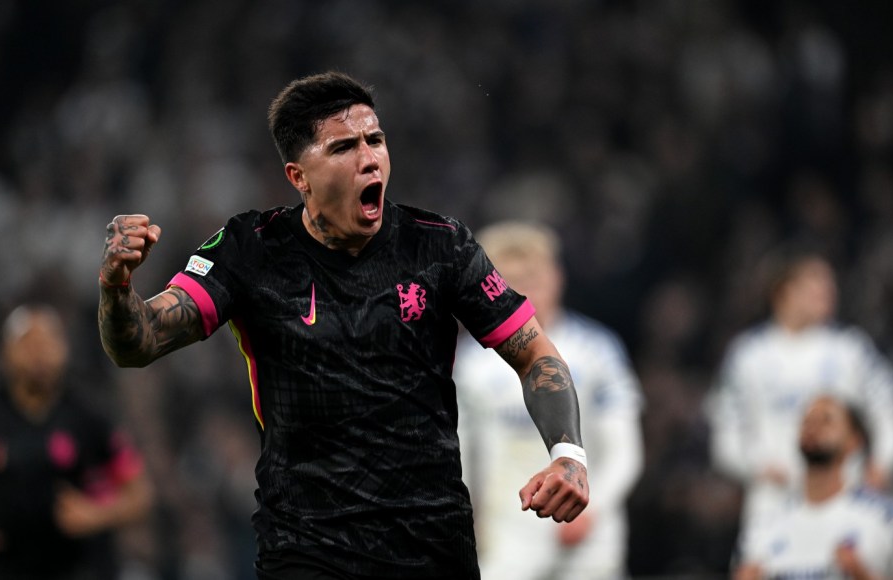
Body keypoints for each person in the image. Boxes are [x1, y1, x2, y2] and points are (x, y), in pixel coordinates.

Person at [97, 71, 590, 580]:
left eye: (375, 140)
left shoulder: (440, 246)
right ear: (298, 176)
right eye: (343, 147)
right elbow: (138, 342)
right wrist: (116, 288)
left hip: (432, 546)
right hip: (306, 547)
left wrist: (569, 454)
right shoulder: (251, 249)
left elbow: (536, 355)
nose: (369, 158)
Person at [454, 221, 644, 579]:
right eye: (512, 279)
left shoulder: (598, 352)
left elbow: (625, 450)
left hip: (587, 539)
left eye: (534, 277)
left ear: (557, 277)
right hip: (507, 540)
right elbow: (462, 452)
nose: (525, 291)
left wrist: (593, 509)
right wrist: (466, 523)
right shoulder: (470, 365)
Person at [706, 246, 893, 546]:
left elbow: (887, 410)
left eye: (830, 285)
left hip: (843, 501)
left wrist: (882, 463)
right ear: (784, 291)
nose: (828, 293)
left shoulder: (850, 349)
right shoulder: (748, 355)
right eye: (817, 285)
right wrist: (757, 465)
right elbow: (725, 434)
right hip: (773, 506)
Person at [0, 304, 153, 580]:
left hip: (77, 567)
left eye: (49, 343)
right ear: (6, 352)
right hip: (1, 568)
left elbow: (140, 495)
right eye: (30, 344)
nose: (41, 354)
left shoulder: (89, 415)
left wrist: (97, 515)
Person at [734, 394, 893, 579]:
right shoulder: (762, 528)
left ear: (854, 441)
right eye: (807, 421)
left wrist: (864, 575)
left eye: (827, 420)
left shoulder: (890, 519)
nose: (813, 427)